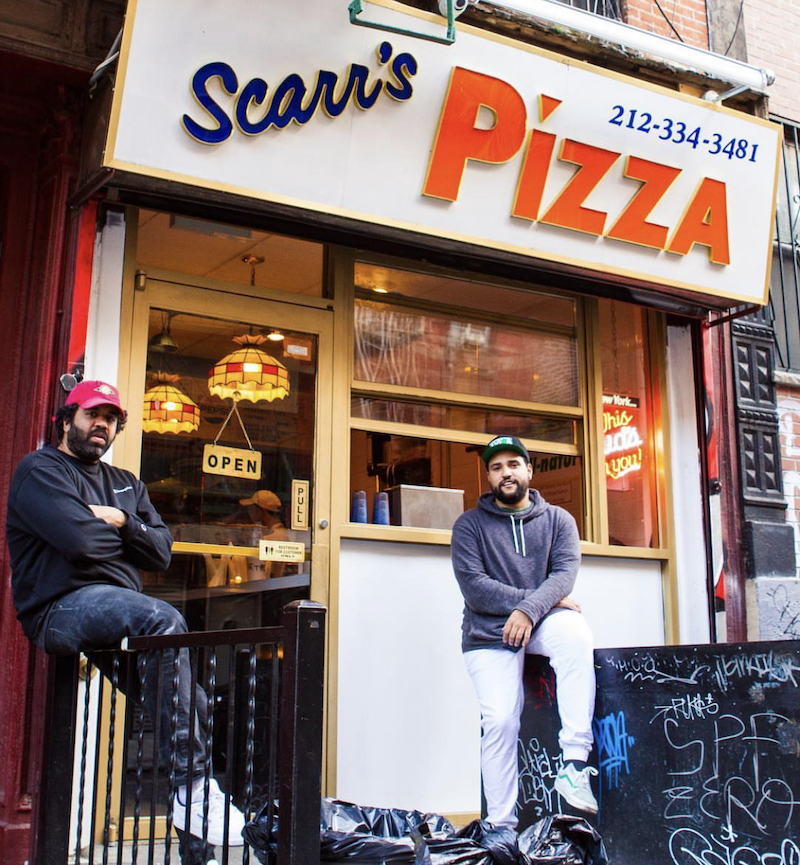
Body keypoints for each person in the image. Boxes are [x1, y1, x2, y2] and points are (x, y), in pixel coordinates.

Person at [6, 380, 245, 847]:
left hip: (117, 612)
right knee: (162, 619)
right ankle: (194, 791)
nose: (102, 425)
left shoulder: (126, 485)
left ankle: (196, 837)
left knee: (192, 703)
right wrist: (121, 546)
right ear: (66, 419)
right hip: (58, 608)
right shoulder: (41, 471)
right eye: (93, 414)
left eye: (111, 418)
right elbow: (81, 542)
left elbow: (159, 552)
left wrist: (119, 520)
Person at [451, 434, 598, 829]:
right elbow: (475, 586)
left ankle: (573, 765)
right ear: (489, 477)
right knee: (500, 721)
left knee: (576, 635)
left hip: (540, 623)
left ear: (529, 470)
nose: (506, 473)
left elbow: (564, 575)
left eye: (514, 464)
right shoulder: (469, 526)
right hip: (487, 633)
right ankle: (500, 827)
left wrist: (530, 611)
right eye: (497, 467)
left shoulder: (558, 521)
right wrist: (533, 603)